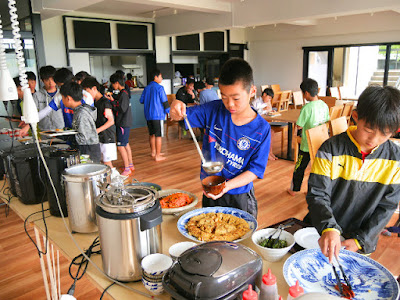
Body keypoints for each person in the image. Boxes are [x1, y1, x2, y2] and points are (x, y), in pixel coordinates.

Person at [305, 85, 400, 262]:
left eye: (384, 135)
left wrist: (360, 240)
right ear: (355, 117)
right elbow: (317, 193)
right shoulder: (331, 149)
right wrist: (329, 228)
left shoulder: (395, 160)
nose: (373, 140)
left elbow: (387, 207)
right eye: (368, 130)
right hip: (322, 233)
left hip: (361, 242)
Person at [170, 58, 271, 218]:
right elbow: (183, 115)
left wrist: (227, 186)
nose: (229, 104)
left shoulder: (261, 129)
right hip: (210, 189)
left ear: (252, 91)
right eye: (224, 96)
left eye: (236, 98)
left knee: (239, 239)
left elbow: (255, 170)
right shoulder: (213, 110)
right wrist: (177, 104)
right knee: (210, 235)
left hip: (239, 195)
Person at [287, 78, 329, 196]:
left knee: (300, 167)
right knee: (315, 169)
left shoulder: (307, 108)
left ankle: (294, 190)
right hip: (320, 142)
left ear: (305, 93)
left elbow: (299, 125)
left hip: (306, 144)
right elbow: (327, 122)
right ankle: (311, 191)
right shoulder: (324, 105)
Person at [60, 82, 101, 163]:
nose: (62, 100)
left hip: (88, 151)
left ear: (68, 98)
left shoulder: (81, 113)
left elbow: (83, 138)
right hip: (86, 149)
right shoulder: (78, 111)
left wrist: (64, 136)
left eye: (62, 98)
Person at [81, 76, 117, 168]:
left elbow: (111, 121)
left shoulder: (105, 102)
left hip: (107, 137)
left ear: (94, 88)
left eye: (86, 90)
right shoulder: (94, 102)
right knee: (101, 162)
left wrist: (96, 131)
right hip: (99, 137)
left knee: (107, 163)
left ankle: (115, 180)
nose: (85, 94)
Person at [139, 69, 170, 161]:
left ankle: (153, 152)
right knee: (158, 135)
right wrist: (169, 113)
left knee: (151, 134)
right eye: (160, 76)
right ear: (155, 77)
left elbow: (141, 100)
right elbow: (164, 101)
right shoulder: (160, 88)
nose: (162, 78)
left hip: (148, 115)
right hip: (158, 115)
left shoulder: (147, 88)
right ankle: (157, 156)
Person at [109, 72, 134, 176]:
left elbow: (122, 108)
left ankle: (127, 168)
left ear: (117, 83)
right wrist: (114, 99)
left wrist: (112, 102)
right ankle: (130, 164)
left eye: (112, 84)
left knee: (120, 146)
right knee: (126, 144)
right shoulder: (123, 93)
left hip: (123, 123)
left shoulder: (123, 94)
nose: (112, 86)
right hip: (125, 122)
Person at [32, 65, 64, 131]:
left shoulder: (62, 93)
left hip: (61, 129)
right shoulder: (37, 95)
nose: (51, 83)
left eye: (53, 79)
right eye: (47, 80)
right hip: (44, 130)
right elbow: (33, 113)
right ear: (42, 80)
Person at [251, 87, 278, 161]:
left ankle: (270, 152)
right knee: (270, 132)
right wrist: (263, 110)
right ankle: (268, 153)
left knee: (271, 132)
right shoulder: (256, 102)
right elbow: (253, 113)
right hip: (255, 124)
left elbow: (266, 112)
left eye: (270, 99)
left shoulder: (265, 103)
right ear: (264, 94)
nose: (269, 100)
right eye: (268, 97)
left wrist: (270, 111)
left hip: (263, 123)